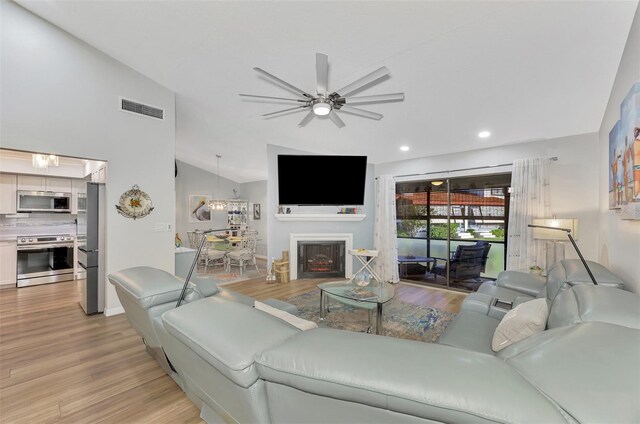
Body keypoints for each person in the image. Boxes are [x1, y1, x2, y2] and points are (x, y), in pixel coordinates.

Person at [634, 127, 640, 201]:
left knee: (637, 180)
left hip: (638, 164)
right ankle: (636, 195)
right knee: (637, 180)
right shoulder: (635, 142)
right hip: (636, 165)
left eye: (635, 131)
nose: (634, 132)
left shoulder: (637, 142)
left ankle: (636, 195)